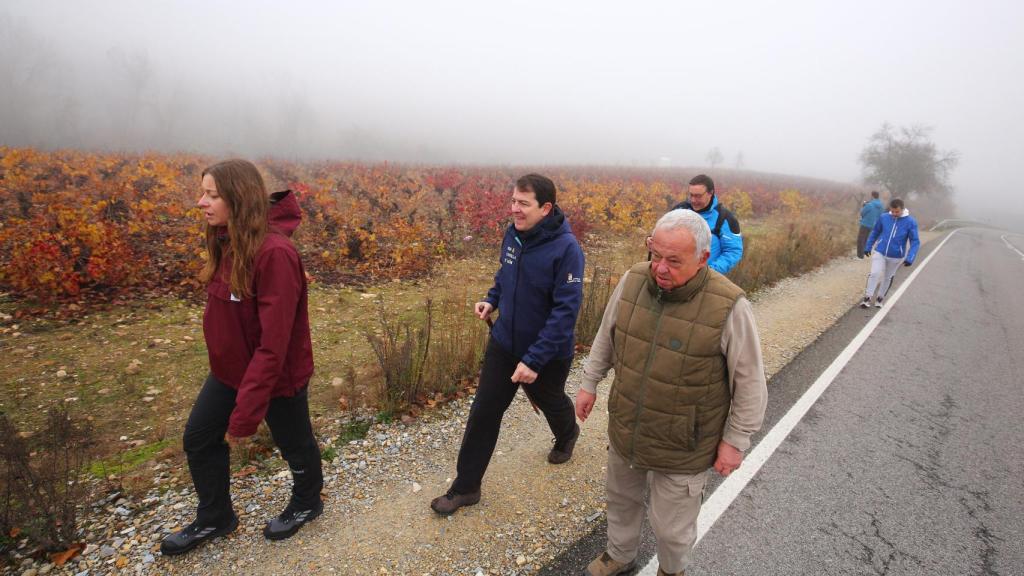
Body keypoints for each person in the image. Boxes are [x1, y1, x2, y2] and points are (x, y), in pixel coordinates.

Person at [576, 209, 767, 576]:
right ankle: (620, 554)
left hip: (684, 440)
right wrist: (589, 383)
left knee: (672, 525)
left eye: (674, 260)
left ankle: (672, 570)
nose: (660, 268)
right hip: (628, 424)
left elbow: (750, 382)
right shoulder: (633, 280)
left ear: (703, 258)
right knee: (620, 499)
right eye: (655, 254)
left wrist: (735, 440)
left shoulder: (729, 305)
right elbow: (607, 335)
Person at [161, 160, 323, 556]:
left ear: (239, 197)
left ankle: (307, 502)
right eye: (202, 192)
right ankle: (216, 516)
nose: (201, 202)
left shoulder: (275, 255)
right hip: (229, 371)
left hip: (275, 373)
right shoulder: (226, 240)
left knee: (294, 443)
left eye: (212, 195)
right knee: (199, 438)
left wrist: (246, 413)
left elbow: (274, 345)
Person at [430, 174, 585, 515]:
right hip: (504, 342)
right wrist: (492, 299)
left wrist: (535, 359)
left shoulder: (567, 250)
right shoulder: (513, 235)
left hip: (546, 354)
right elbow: (505, 273)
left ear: (546, 208)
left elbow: (565, 311)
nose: (514, 209)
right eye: (513, 201)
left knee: (551, 399)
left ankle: (568, 432)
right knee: (484, 411)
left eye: (523, 204)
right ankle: (466, 487)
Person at [670, 174, 743, 275]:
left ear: (710, 193)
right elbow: (664, 233)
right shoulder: (679, 210)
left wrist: (709, 273)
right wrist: (652, 240)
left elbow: (733, 251)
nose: (693, 200)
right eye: (691, 195)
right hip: (674, 275)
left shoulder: (725, 218)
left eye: (698, 196)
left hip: (705, 281)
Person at [860, 198, 920, 309]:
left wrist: (910, 257)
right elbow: (875, 232)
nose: (894, 214)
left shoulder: (911, 222)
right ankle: (867, 298)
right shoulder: (884, 217)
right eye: (892, 211)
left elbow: (915, 241)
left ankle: (880, 298)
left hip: (896, 256)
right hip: (880, 251)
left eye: (897, 212)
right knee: (875, 273)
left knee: (887, 277)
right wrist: (868, 246)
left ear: (902, 209)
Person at [857, 191, 884, 258]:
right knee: (866, 239)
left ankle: (860, 256)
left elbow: (862, 213)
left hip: (865, 224)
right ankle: (864, 253)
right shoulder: (881, 206)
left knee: (861, 239)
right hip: (874, 225)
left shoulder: (870, 204)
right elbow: (881, 215)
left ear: (872, 196)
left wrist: (864, 206)